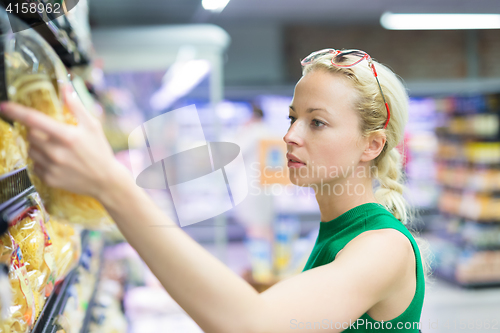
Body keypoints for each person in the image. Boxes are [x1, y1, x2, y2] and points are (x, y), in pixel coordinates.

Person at [1, 48, 426, 332]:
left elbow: (253, 326)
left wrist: (111, 186)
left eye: (317, 121)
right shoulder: (342, 231)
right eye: (292, 117)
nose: (291, 136)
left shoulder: (383, 246)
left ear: (372, 145)